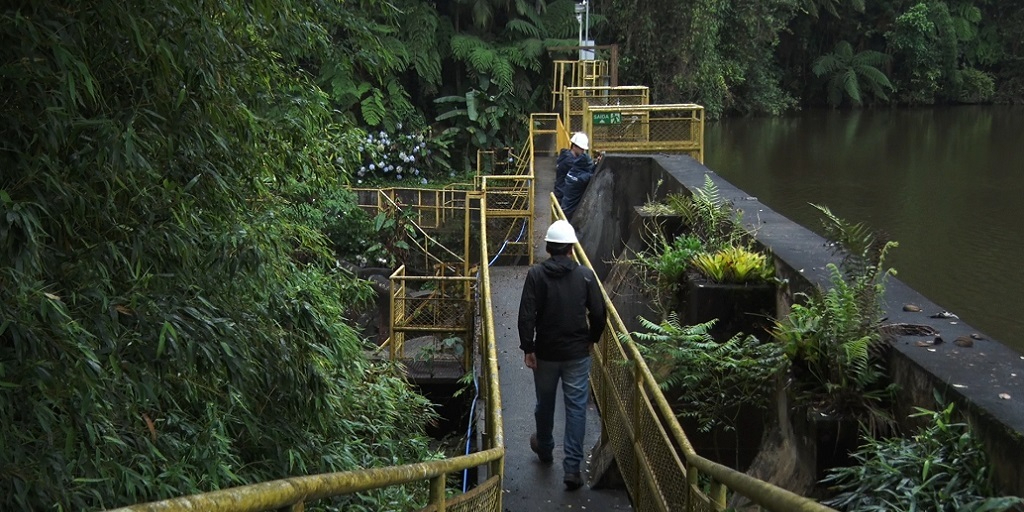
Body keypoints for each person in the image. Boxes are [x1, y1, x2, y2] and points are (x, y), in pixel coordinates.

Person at [518, 220, 607, 491]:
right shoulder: (585, 276)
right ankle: (572, 469)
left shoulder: (536, 275)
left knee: (544, 403)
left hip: (545, 353)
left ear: (548, 247)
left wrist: (528, 348)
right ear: (571, 248)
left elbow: (526, 314)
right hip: (577, 354)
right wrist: (592, 339)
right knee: (576, 408)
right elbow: (599, 313)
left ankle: (544, 448)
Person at [555, 132, 601, 220]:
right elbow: (585, 174)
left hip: (563, 195)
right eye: (581, 149)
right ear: (574, 146)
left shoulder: (567, 157)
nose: (583, 152)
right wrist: (595, 165)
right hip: (563, 196)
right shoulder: (569, 161)